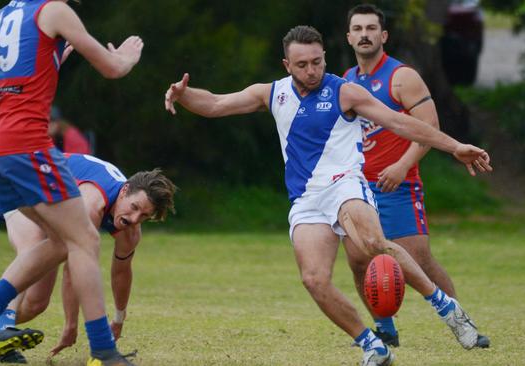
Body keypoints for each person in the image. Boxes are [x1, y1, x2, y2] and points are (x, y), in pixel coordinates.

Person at [164, 25, 491, 366]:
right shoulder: (272, 93)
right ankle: (372, 345)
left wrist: (455, 147)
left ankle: (447, 308)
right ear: (286, 65)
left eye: (317, 62)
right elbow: (216, 103)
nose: (311, 70)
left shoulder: (344, 92)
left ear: (324, 58)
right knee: (314, 280)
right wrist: (184, 95)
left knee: (373, 242)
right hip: (306, 200)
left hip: (345, 184)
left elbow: (400, 123)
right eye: (302, 64)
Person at [0, 0, 143, 365]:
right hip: (28, 144)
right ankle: (104, 351)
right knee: (85, 238)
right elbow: (111, 68)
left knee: (61, 241)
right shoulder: (54, 10)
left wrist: (49, 59)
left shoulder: (1, 16)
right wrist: (126, 57)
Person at [341, 4, 489, 348]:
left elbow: (429, 128)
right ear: (349, 37)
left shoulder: (402, 77)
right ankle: (385, 329)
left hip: (399, 185)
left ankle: (461, 322)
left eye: (371, 28)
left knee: (417, 261)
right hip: (360, 188)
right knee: (359, 262)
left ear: (383, 35)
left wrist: (403, 165)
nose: (365, 34)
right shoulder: (347, 80)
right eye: (358, 29)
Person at [0, 154, 176, 363]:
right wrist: (71, 324)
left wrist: (119, 318)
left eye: (143, 216)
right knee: (32, 245)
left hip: (51, 203)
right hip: (24, 180)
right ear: (124, 190)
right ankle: (1, 328)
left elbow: (121, 272)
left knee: (36, 303)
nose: (134, 219)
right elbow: (74, 267)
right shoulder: (91, 203)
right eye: (134, 207)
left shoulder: (130, 230)